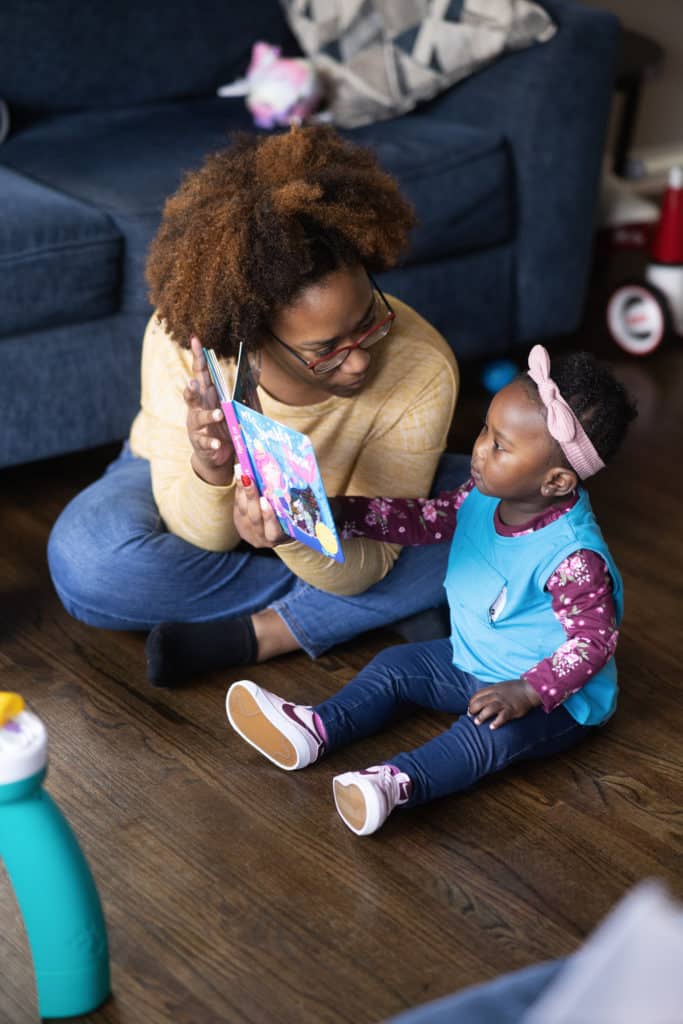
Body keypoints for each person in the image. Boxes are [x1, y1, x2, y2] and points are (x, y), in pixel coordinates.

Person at [46, 126, 466, 684]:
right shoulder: (189, 344)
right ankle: (384, 608)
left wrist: (294, 535)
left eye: (369, 322)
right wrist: (212, 469)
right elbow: (205, 538)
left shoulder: (423, 367)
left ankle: (265, 633)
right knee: (88, 560)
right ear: (253, 336)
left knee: (511, 513)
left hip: (349, 515)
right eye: (325, 352)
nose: (361, 360)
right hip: (169, 483)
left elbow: (368, 564)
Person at [226, 345, 637, 836]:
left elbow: (593, 643)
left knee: (486, 738)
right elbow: (430, 518)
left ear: (555, 480)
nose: (479, 449)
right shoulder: (485, 495)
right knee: (395, 667)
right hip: (473, 659)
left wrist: (527, 691)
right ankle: (316, 727)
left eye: (500, 445)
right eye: (486, 429)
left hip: (552, 699)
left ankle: (396, 783)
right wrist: (344, 515)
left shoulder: (573, 557)